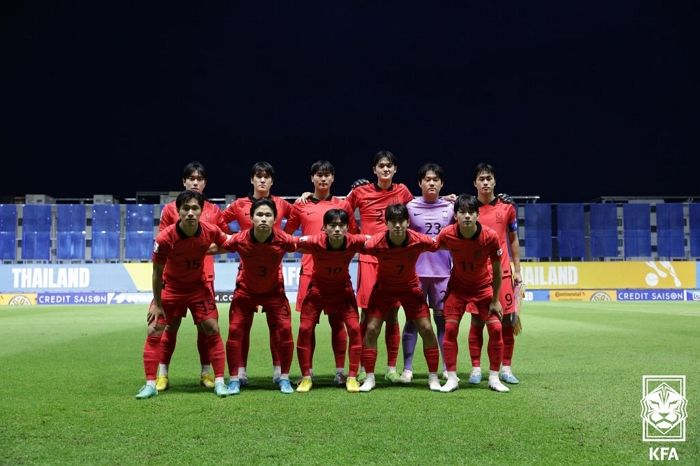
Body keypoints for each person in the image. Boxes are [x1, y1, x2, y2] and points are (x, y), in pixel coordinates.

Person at [136, 190, 232, 399]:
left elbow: (229, 244)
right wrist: (158, 303)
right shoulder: (165, 238)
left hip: (198, 288)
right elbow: (156, 273)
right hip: (171, 289)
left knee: (212, 328)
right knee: (154, 329)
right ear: (178, 211)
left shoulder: (210, 231)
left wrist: (210, 250)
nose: (190, 212)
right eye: (185, 208)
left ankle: (219, 382)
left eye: (194, 208)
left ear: (201, 211)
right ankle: (151, 384)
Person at [155, 161, 231, 392]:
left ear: (205, 183)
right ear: (184, 182)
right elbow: (163, 242)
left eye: (199, 179)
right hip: (176, 278)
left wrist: (208, 250)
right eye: (191, 178)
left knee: (206, 328)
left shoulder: (214, 211)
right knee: (171, 326)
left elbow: (226, 241)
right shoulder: (170, 209)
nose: (195, 182)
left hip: (203, 277)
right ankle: (163, 373)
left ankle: (206, 372)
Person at [284, 161, 357, 385]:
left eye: (327, 175)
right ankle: (309, 373)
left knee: (338, 323)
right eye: (319, 175)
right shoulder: (301, 205)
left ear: (333, 178)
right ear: (312, 178)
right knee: (308, 325)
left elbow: (353, 234)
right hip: (309, 272)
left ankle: (339, 372)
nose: (323, 179)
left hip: (336, 273)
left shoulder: (342, 205)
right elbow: (287, 236)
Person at [344, 151, 413, 382]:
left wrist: (447, 200)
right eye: (381, 166)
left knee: (392, 314)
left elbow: (419, 211)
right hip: (369, 260)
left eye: (389, 166)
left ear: (395, 170)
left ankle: (391, 368)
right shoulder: (360, 191)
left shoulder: (403, 191)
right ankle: (365, 365)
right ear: (374, 169)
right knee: (367, 315)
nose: (385, 169)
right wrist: (356, 235)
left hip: (393, 260)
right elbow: (343, 212)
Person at [221, 161, 292, 385]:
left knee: (277, 327)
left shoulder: (281, 204)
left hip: (274, 274)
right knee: (241, 327)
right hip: (247, 272)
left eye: (267, 176)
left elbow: (299, 216)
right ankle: (240, 372)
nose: (262, 180)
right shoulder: (238, 204)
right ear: (251, 179)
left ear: (272, 181)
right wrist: (233, 238)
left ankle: (279, 371)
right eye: (258, 176)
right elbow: (220, 221)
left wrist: (283, 235)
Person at [360, 204, 442, 392]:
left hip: (410, 289)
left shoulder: (419, 240)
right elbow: (355, 244)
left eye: (401, 221)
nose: (397, 225)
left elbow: (440, 243)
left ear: (407, 222)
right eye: (393, 222)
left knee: (427, 328)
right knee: (371, 328)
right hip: (384, 289)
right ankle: (370, 378)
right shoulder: (375, 243)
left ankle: (433, 378)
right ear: (387, 223)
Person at [435, 194, 509, 393]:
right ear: (456, 215)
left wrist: (495, 299)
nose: (467, 216)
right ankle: (451, 378)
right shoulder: (447, 234)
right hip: (457, 290)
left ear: (477, 215)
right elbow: (430, 247)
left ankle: (494, 377)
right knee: (449, 330)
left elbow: (497, 268)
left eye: (471, 212)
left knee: (495, 330)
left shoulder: (490, 237)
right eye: (462, 212)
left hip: (483, 289)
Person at [295, 209, 365, 393]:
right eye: (332, 225)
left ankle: (350, 376)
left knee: (355, 329)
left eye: (341, 225)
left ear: (347, 228)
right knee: (304, 329)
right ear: (324, 228)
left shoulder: (355, 241)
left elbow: (377, 240)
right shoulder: (314, 241)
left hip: (343, 292)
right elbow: (287, 242)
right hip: (317, 291)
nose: (336, 229)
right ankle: (306, 377)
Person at [400, 163, 453, 383]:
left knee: (442, 322)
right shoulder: (409, 207)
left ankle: (445, 367)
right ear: (420, 183)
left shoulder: (451, 208)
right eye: (427, 179)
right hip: (416, 273)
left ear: (441, 183)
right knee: (413, 321)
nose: (431, 183)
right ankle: (408, 369)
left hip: (443, 273)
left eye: (435, 179)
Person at [472, 163, 522, 385]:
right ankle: (475, 368)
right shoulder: (467, 209)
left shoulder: (507, 208)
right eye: (481, 178)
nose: (485, 182)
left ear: (494, 182)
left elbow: (513, 239)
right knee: (477, 321)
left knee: (508, 322)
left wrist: (518, 270)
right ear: (475, 183)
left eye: (488, 178)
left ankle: (506, 368)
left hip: (502, 274)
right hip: (477, 275)